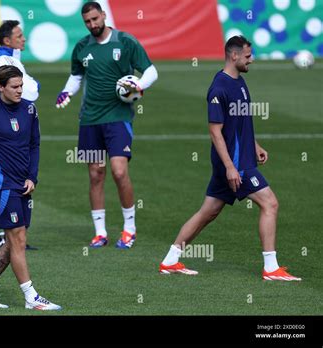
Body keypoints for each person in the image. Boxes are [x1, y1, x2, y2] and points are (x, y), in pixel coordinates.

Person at [158, 36, 301, 281]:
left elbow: (240, 123)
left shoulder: (240, 82)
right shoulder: (219, 88)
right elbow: (215, 131)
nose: (251, 60)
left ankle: (170, 260)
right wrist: (230, 167)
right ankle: (270, 267)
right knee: (270, 204)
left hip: (241, 159)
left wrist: (255, 145)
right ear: (233, 56)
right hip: (236, 165)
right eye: (248, 56)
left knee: (208, 212)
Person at [56, 1, 158, 249]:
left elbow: (151, 70)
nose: (92, 25)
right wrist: (66, 92)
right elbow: (77, 75)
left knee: (119, 171)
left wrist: (139, 86)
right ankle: (100, 232)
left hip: (118, 118)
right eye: (87, 22)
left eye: (95, 19)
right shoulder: (81, 47)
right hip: (90, 119)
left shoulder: (125, 41)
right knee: (95, 174)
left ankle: (129, 229)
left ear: (103, 15)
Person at [0, 65, 61, 309]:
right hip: (1, 187)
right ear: (0, 87)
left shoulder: (30, 110)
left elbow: (35, 145)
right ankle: (31, 297)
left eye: (21, 86)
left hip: (23, 186)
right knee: (17, 240)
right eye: (15, 87)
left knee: (13, 242)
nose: (21, 90)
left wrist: (33, 177)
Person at [0, 20, 39, 249]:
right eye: (19, 35)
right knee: (12, 180)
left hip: (0, 124)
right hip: (8, 126)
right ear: (7, 40)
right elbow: (32, 91)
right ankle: (13, 235)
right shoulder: (7, 61)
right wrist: (34, 84)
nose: (24, 39)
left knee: (4, 179)